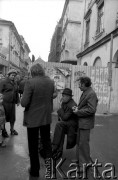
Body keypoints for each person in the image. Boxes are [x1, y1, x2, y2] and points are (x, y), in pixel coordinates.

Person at [21, 63, 57, 179]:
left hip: (33, 118)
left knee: (33, 145)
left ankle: (35, 170)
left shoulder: (30, 82)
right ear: (42, 71)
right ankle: (50, 169)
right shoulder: (50, 82)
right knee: (47, 143)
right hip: (46, 117)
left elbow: (24, 103)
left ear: (32, 72)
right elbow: (53, 95)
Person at [73, 76, 98, 172]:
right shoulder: (86, 92)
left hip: (85, 123)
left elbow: (92, 110)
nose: (79, 86)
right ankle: (81, 160)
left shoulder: (91, 94)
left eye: (80, 84)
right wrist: (78, 109)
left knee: (83, 143)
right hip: (82, 122)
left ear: (84, 84)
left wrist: (78, 111)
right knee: (80, 142)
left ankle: (84, 165)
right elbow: (86, 107)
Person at [52, 88, 78, 160]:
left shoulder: (73, 105)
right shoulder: (65, 102)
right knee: (60, 128)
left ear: (69, 97)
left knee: (59, 124)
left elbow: (64, 117)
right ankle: (59, 151)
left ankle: (55, 146)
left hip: (72, 126)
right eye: (62, 95)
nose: (62, 97)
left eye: (63, 96)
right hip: (66, 123)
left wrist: (60, 108)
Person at [0, 69, 20, 137]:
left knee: (12, 118)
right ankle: (4, 131)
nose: (13, 77)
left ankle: (12, 130)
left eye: (14, 76)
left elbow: (16, 92)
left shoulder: (15, 83)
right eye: (12, 75)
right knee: (4, 118)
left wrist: (18, 101)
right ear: (8, 75)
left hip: (12, 103)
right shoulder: (3, 82)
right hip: (4, 103)